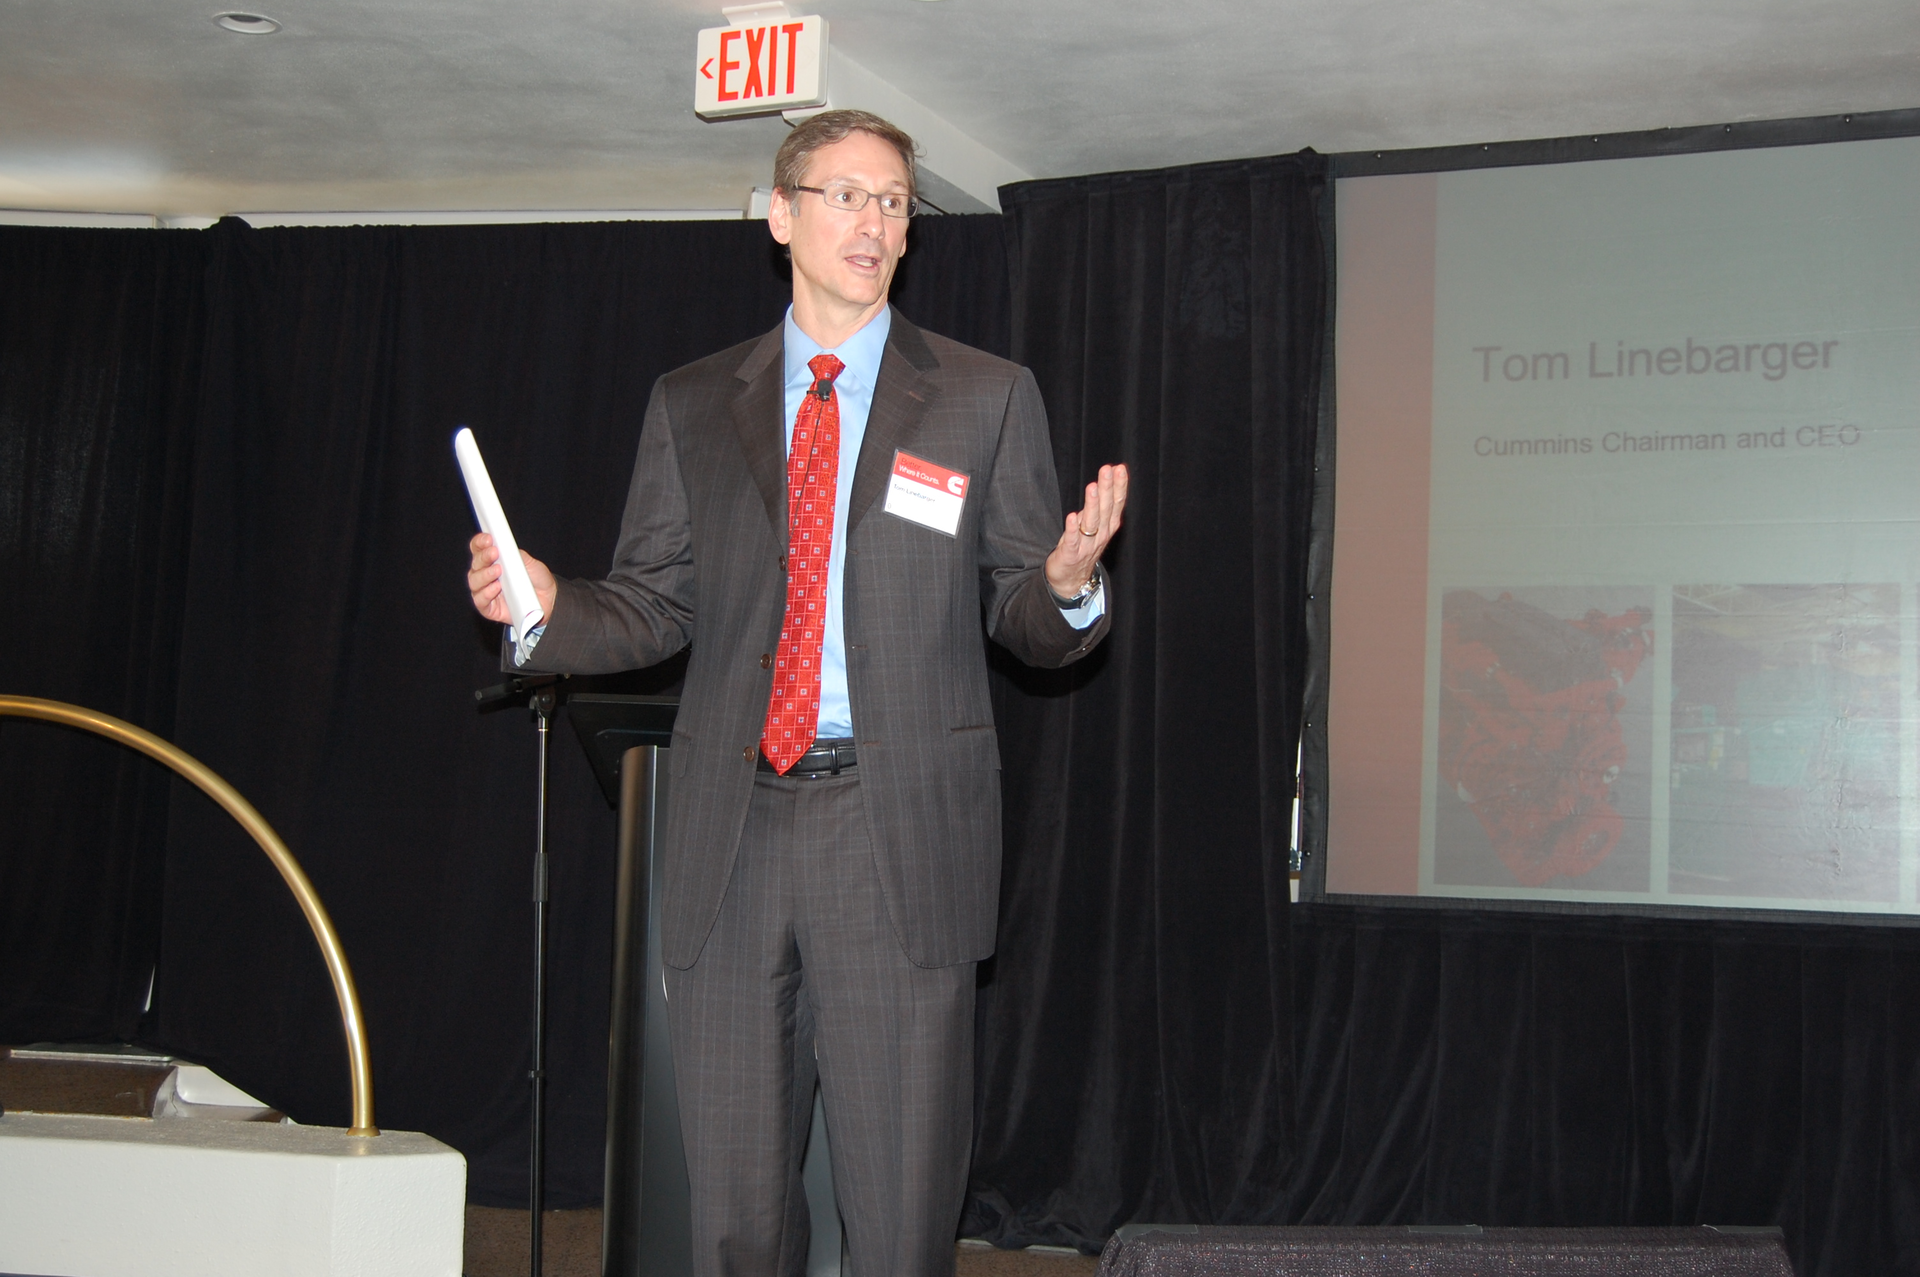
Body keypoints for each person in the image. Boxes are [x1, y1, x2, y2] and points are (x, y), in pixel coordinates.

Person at [467, 109, 1126, 1277]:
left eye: (893, 201)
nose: (874, 222)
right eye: (845, 195)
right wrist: (547, 599)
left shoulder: (982, 396)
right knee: (733, 1211)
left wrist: (1068, 584)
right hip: (735, 829)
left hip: (898, 837)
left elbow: (1021, 611)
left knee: (901, 1212)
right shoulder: (692, 402)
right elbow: (652, 604)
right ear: (781, 216)